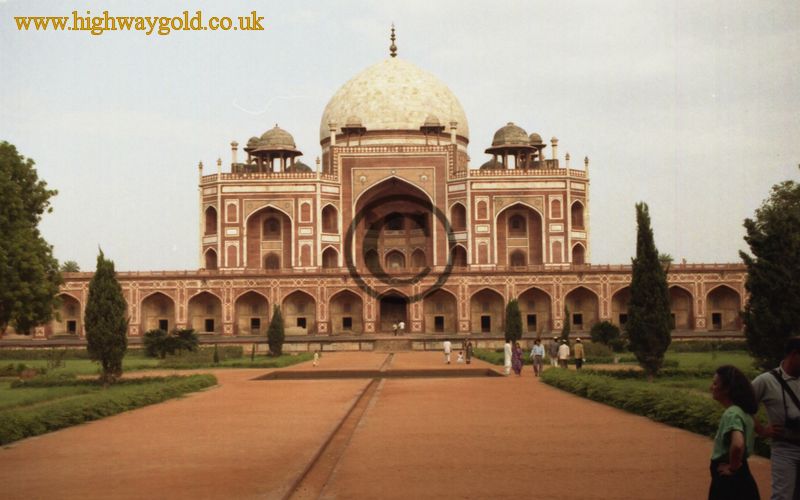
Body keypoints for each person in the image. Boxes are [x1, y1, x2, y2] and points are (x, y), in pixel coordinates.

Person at [752, 337, 800, 500]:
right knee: (783, 496)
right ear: (794, 354)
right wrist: (762, 430)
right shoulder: (766, 380)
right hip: (785, 449)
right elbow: (743, 407)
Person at [709, 365, 760, 500]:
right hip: (744, 473)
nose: (711, 387)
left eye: (715, 383)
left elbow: (738, 444)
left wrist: (732, 467)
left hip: (728, 477)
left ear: (727, 389)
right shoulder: (745, 411)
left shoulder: (731, 413)